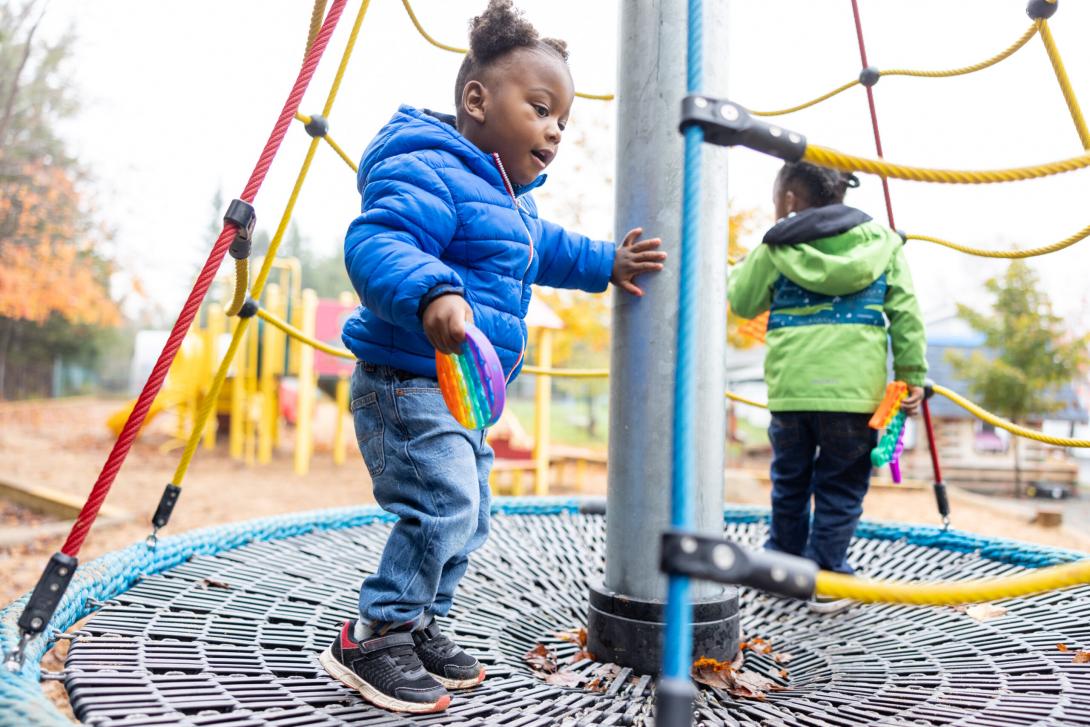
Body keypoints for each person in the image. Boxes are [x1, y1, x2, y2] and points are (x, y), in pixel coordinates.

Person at [320, 0, 666, 713]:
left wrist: (609, 262)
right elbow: (375, 243)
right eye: (541, 108)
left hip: (462, 396)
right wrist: (432, 294)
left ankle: (419, 624)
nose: (555, 130)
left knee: (470, 514)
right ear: (478, 100)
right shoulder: (429, 167)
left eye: (563, 120)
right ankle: (372, 635)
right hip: (407, 380)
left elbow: (553, 251)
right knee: (443, 502)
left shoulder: (516, 203)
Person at [728, 161, 927, 607]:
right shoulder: (884, 243)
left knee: (790, 479)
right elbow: (907, 316)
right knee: (840, 485)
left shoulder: (775, 246)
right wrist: (911, 376)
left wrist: (745, 265)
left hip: (792, 392)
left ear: (791, 201)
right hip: (856, 396)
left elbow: (742, 301)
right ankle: (826, 572)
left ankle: (782, 563)